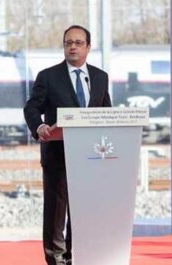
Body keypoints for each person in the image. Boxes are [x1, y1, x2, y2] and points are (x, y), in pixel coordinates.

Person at [23, 25, 112, 265]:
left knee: (82, 211)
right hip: (57, 155)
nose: (72, 47)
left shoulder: (100, 77)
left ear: (88, 47)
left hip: (90, 156)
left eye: (78, 43)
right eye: (68, 43)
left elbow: (106, 114)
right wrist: (39, 126)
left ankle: (77, 256)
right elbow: (32, 107)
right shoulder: (48, 76)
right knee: (56, 211)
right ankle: (56, 259)